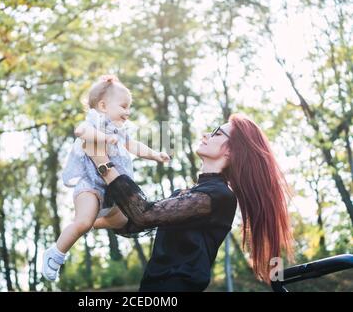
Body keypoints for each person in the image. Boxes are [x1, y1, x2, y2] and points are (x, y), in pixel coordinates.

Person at [86, 114, 294, 291]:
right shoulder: (186, 194)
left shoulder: (220, 196)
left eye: (217, 133)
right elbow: (135, 223)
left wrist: (102, 161)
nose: (206, 135)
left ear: (231, 151)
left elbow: (144, 214)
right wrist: (90, 218)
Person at [41, 75, 170, 281]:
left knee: (123, 220)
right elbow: (80, 131)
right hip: (90, 187)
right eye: (123, 106)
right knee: (82, 222)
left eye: (129, 108)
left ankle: (91, 221)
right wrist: (103, 137)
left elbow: (134, 145)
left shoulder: (119, 130)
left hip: (111, 193)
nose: (127, 112)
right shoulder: (94, 122)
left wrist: (155, 155)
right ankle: (55, 253)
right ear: (102, 105)